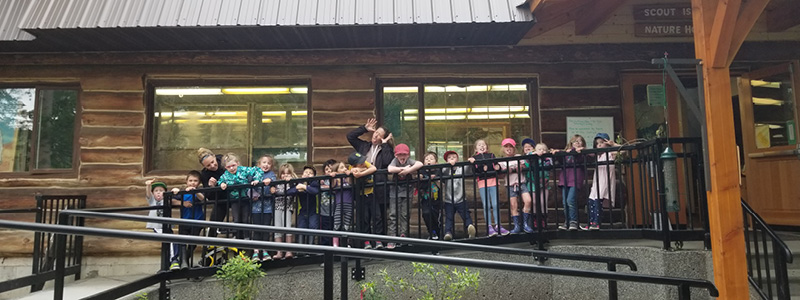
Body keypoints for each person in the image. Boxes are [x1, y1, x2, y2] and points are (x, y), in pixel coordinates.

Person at [347, 118, 394, 246]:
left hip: (378, 187)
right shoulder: (364, 146)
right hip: (362, 187)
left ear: (384, 138)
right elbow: (350, 137)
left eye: (379, 134)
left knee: (379, 216)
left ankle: (380, 241)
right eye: (375, 132)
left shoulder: (386, 149)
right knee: (364, 217)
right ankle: (366, 242)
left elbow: (386, 162)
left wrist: (384, 144)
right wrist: (364, 129)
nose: (375, 135)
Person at [218, 153, 265, 239]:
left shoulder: (244, 170)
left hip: (245, 198)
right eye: (229, 167)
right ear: (225, 167)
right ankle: (238, 238)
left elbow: (258, 170)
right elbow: (220, 181)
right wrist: (222, 184)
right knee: (236, 220)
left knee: (245, 219)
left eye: (233, 165)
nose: (232, 168)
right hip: (235, 200)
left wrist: (256, 179)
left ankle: (247, 237)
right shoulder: (225, 175)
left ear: (237, 163)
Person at [386, 143, 423, 249]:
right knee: (393, 215)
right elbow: (390, 169)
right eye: (400, 155)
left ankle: (404, 236)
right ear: (396, 155)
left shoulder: (409, 161)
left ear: (408, 155)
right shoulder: (395, 161)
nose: (402, 157)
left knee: (405, 214)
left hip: (407, 191)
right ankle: (392, 238)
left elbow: (419, 164)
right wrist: (401, 170)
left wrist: (408, 170)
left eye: (404, 155)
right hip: (394, 192)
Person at [468, 139, 508, 237]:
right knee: (486, 205)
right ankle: (489, 226)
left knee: (495, 204)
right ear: (475, 148)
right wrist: (477, 165)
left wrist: (498, 167)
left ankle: (498, 225)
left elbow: (496, 166)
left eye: (484, 145)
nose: (482, 146)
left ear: (487, 146)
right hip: (482, 182)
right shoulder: (474, 158)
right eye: (479, 145)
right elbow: (475, 171)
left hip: (493, 181)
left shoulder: (491, 155)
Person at [168, 171, 206, 269]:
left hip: (197, 221)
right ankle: (184, 261)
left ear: (199, 183)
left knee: (193, 243)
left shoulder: (199, 192)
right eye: (190, 180)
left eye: (195, 181)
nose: (192, 183)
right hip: (184, 221)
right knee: (182, 242)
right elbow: (170, 200)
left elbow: (203, 199)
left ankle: (185, 260)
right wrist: (181, 202)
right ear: (186, 181)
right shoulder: (183, 192)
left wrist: (195, 191)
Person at [583, 133, 620, 231]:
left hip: (605, 180)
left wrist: (613, 144)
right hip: (597, 181)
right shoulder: (598, 156)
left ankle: (597, 222)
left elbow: (623, 150)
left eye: (601, 143)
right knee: (591, 199)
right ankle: (591, 222)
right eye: (597, 143)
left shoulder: (610, 153)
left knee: (598, 200)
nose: (599, 145)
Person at [498, 138, 534, 234]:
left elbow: (523, 166)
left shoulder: (518, 156)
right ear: (503, 148)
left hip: (521, 183)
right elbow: (501, 174)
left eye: (511, 146)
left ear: (514, 148)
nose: (509, 148)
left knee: (528, 200)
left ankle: (525, 223)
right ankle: (517, 226)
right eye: (506, 146)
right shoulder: (502, 160)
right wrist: (506, 170)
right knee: (514, 206)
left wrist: (519, 167)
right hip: (510, 185)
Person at [551, 135, 587, 231]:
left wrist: (576, 151)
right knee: (564, 202)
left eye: (580, 141)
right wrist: (557, 153)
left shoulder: (581, 153)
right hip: (565, 179)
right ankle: (567, 221)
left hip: (575, 179)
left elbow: (580, 159)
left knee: (570, 200)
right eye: (575, 141)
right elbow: (560, 160)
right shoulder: (566, 154)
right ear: (571, 143)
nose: (577, 143)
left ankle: (573, 221)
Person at [441, 151, 476, 241]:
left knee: (466, 215)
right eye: (449, 157)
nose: (452, 158)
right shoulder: (446, 170)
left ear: (458, 159)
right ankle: (448, 233)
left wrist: (470, 162)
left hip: (461, 199)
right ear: (446, 160)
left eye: (454, 157)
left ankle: (470, 229)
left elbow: (467, 169)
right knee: (449, 218)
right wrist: (448, 165)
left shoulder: (460, 169)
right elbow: (441, 171)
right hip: (449, 200)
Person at [347, 152, 379, 249]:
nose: (363, 163)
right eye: (360, 162)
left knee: (377, 216)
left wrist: (361, 172)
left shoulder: (365, 164)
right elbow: (354, 175)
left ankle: (378, 240)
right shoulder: (350, 168)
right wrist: (358, 172)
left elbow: (374, 168)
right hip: (361, 195)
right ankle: (366, 241)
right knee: (364, 218)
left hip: (371, 194)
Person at [249, 154, 277, 261]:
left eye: (269, 163)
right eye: (264, 162)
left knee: (266, 228)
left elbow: (273, 181)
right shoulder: (255, 174)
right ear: (259, 164)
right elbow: (249, 183)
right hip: (256, 207)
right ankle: (256, 251)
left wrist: (270, 182)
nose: (266, 165)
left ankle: (265, 251)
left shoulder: (271, 174)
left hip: (267, 206)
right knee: (256, 229)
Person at [523, 139, 552, 229]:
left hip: (544, 184)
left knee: (543, 202)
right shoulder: (532, 158)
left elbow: (550, 164)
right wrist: (534, 154)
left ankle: (543, 220)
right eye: (539, 149)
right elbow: (527, 158)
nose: (542, 151)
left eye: (544, 149)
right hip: (533, 184)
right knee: (535, 202)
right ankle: (536, 219)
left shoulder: (547, 160)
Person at [197, 148, 227, 237]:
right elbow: (209, 196)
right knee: (214, 220)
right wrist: (211, 187)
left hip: (235, 194)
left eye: (213, 162)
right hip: (221, 198)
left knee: (240, 217)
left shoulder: (223, 160)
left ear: (214, 156)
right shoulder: (205, 174)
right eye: (208, 165)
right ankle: (210, 243)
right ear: (204, 167)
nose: (213, 165)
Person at [273, 163, 298, 259]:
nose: (285, 176)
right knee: (277, 229)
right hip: (277, 207)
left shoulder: (292, 183)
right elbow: (274, 191)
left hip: (287, 207)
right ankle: (279, 252)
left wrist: (291, 181)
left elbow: (294, 189)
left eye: (288, 173)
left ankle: (289, 251)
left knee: (288, 228)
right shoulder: (277, 183)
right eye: (283, 173)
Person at [418, 152, 442, 240]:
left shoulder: (438, 171)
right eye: (427, 159)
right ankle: (431, 231)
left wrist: (435, 179)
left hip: (436, 199)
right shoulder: (421, 171)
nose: (429, 161)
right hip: (425, 198)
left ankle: (438, 232)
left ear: (435, 162)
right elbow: (419, 185)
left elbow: (442, 185)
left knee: (436, 215)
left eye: (431, 159)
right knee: (426, 213)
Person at [295, 165, 321, 245]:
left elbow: (315, 191)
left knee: (313, 227)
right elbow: (291, 191)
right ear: (302, 174)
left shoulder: (315, 183)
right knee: (301, 227)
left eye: (310, 173)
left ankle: (311, 248)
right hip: (302, 211)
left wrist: (304, 187)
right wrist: (301, 187)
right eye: (306, 172)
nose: (308, 174)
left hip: (313, 211)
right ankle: (300, 250)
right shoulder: (299, 183)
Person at [330, 162, 354, 247]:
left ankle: (346, 243)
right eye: (341, 167)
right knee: (337, 224)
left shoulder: (347, 179)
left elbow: (351, 183)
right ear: (337, 170)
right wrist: (333, 176)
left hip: (349, 203)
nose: (344, 168)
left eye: (345, 167)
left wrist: (349, 174)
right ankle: (335, 244)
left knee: (347, 225)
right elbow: (332, 185)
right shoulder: (337, 180)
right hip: (339, 204)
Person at [319, 159, 337, 246]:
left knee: (335, 229)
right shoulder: (321, 180)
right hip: (324, 211)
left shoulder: (337, 180)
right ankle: (325, 248)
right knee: (325, 231)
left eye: (331, 169)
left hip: (335, 211)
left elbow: (334, 187)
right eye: (326, 169)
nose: (329, 171)